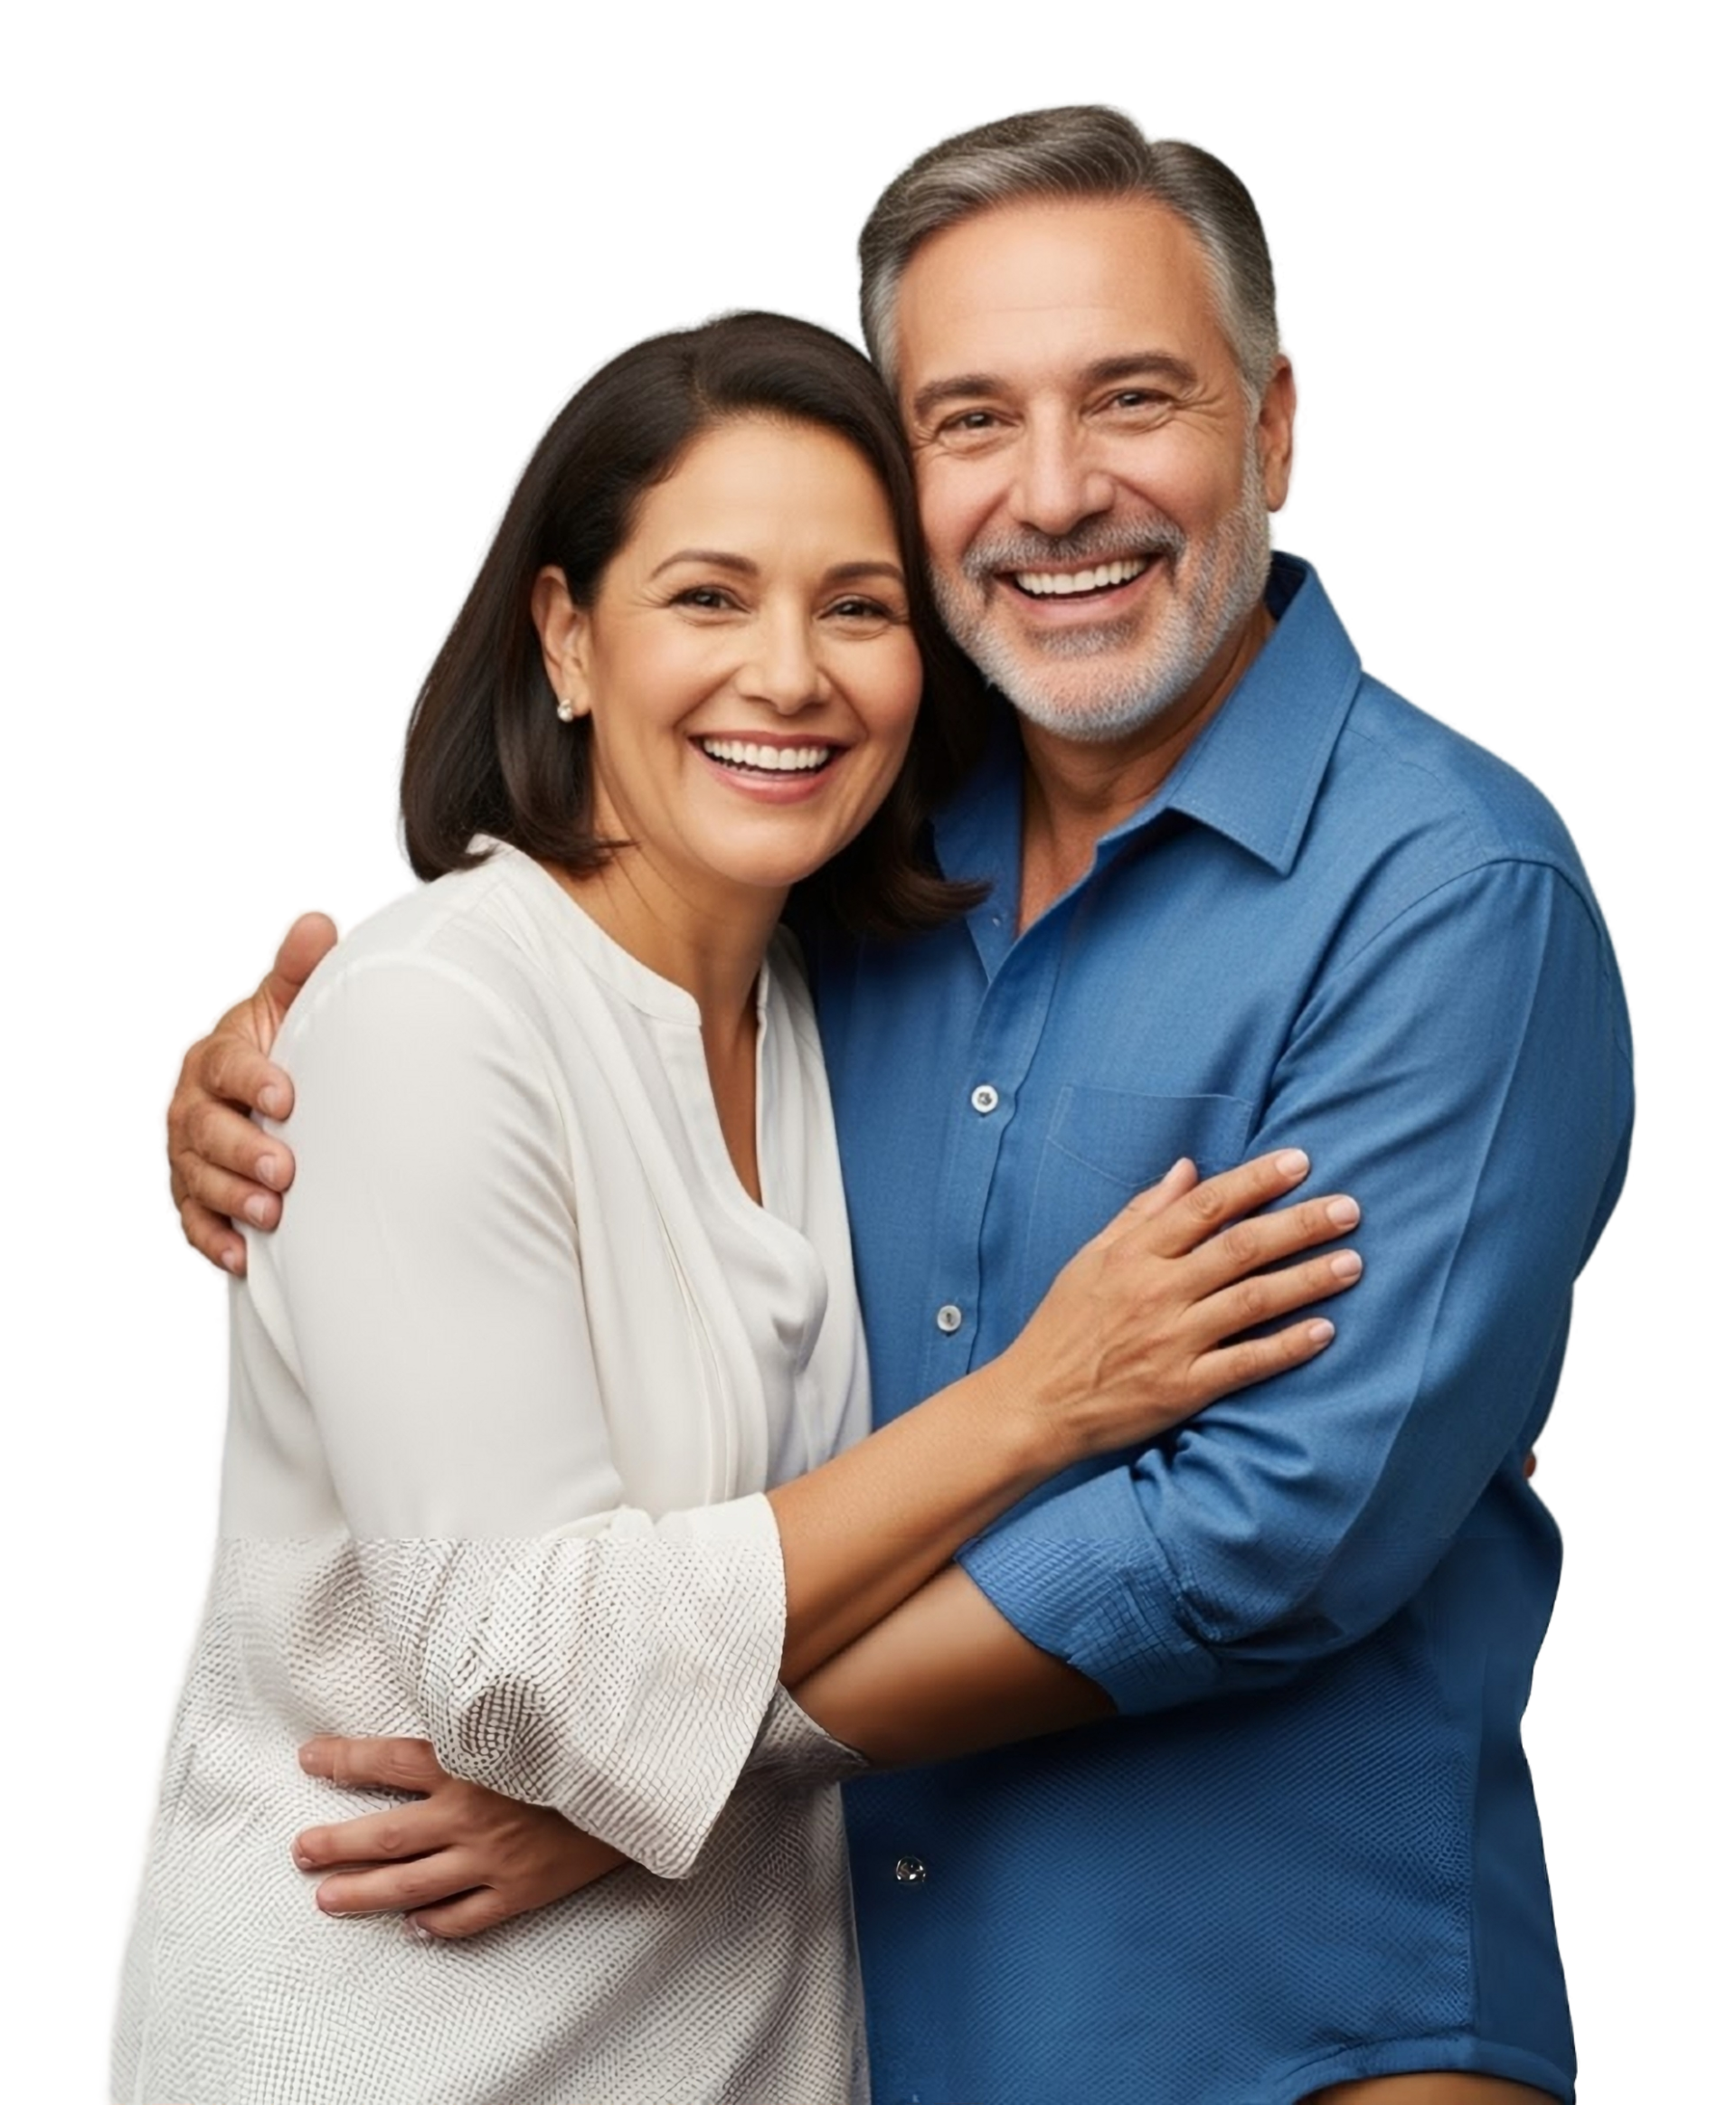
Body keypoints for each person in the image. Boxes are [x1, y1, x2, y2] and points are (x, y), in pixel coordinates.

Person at [159, 109, 1635, 2105]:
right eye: (966, 421)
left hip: (1285, 2031)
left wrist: (651, 1771)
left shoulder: (1451, 892)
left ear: (1278, 428)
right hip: (845, 2033)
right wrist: (277, 1049)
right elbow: (541, 1080)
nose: (1055, 492)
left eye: (1133, 396)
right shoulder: (836, 893)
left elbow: (1271, 1530)